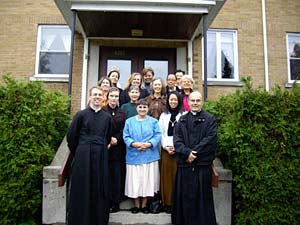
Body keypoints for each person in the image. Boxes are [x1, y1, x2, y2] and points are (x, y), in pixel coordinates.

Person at [67, 86, 112, 225]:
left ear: (103, 97)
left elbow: (108, 136)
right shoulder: (80, 115)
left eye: (100, 94)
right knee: (82, 186)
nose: (97, 97)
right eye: (95, 94)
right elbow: (71, 137)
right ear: (90, 97)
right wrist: (80, 151)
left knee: (99, 187)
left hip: (101, 154)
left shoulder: (107, 117)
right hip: (83, 155)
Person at [172, 91, 217, 225]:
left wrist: (194, 153)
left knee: (202, 201)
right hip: (185, 167)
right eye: (193, 101)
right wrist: (187, 153)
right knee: (184, 200)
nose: (195, 103)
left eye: (198, 100)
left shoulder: (210, 119)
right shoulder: (182, 119)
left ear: (202, 102)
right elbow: (177, 140)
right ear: (188, 102)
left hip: (201, 167)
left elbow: (210, 139)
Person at [123, 99, 162, 214]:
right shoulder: (129, 122)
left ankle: (144, 205)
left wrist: (148, 144)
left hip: (149, 155)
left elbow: (158, 135)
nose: (142, 109)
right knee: (135, 181)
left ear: (147, 108)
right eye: (140, 107)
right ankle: (136, 205)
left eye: (144, 107)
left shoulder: (153, 122)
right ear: (136, 108)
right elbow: (125, 136)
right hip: (133, 155)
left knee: (147, 181)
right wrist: (134, 144)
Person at [158, 91, 185, 214]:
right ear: (168, 101)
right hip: (166, 150)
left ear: (179, 101)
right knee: (166, 177)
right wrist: (166, 146)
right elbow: (160, 133)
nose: (173, 102)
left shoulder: (184, 115)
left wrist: (176, 147)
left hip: (179, 151)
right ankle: (167, 203)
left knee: (177, 177)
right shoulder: (164, 116)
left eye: (175, 100)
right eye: (171, 100)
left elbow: (185, 134)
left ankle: (177, 203)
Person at [103, 87, 127, 213]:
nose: (114, 98)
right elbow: (100, 128)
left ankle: (116, 202)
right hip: (105, 148)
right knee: (105, 175)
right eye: (111, 96)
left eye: (116, 96)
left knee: (116, 176)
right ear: (107, 97)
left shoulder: (122, 112)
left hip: (118, 149)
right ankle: (106, 201)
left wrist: (116, 138)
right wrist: (108, 139)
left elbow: (124, 129)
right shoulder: (102, 111)